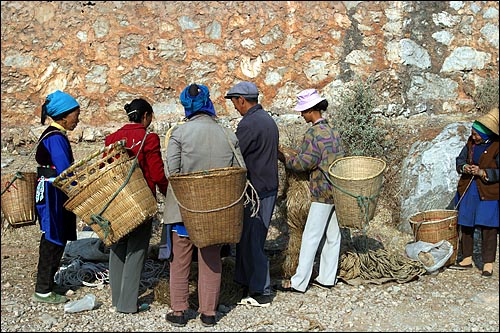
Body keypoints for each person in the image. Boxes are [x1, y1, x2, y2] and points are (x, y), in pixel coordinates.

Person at [163, 83, 245, 327]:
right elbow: (240, 170)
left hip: (184, 210)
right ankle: (208, 313)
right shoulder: (228, 135)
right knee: (211, 261)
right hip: (216, 210)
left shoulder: (179, 134)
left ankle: (179, 311)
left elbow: (172, 172)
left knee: (180, 261)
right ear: (209, 103)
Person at [274, 88, 345, 293]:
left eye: (303, 111)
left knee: (311, 236)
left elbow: (304, 163)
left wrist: (286, 159)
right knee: (333, 235)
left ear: (312, 110)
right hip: (337, 189)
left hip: (321, 190)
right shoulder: (333, 132)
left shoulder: (313, 133)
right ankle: (327, 277)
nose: (301, 115)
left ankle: (298, 282)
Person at [104, 98, 169, 313]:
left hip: (117, 200)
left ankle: (117, 299)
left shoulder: (111, 139)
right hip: (140, 201)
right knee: (137, 250)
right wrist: (168, 193)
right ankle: (128, 304)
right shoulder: (149, 139)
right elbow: (157, 173)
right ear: (146, 116)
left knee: (118, 248)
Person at [224, 81, 279, 307]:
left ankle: (261, 291)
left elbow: (234, 156)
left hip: (256, 190)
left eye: (235, 102)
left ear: (242, 100)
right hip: (268, 187)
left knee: (253, 241)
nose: (235, 107)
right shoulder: (267, 120)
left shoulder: (248, 124)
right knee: (250, 238)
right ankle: (246, 283)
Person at [33, 90, 81, 304]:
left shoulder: (54, 135)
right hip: (52, 192)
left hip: (55, 190)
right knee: (52, 237)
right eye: (75, 115)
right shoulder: (55, 138)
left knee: (59, 236)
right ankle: (43, 289)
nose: (77, 119)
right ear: (63, 116)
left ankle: (50, 282)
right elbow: (64, 169)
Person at [452, 107, 499, 277]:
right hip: (469, 189)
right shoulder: (470, 144)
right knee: (466, 221)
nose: (473, 136)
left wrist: (482, 172)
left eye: (477, 134)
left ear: (486, 134)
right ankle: (466, 258)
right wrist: (465, 167)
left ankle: (487, 263)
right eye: (472, 132)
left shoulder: (497, 147)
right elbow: (460, 160)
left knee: (489, 226)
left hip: (489, 191)